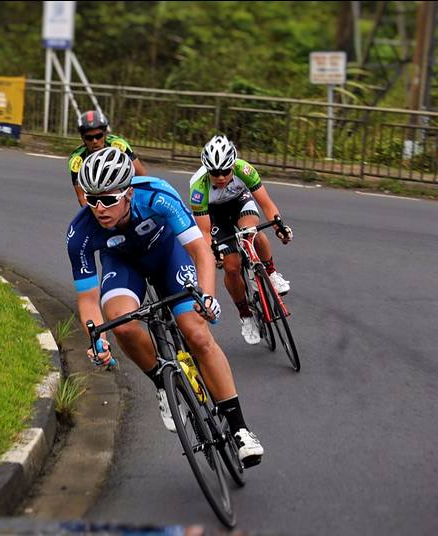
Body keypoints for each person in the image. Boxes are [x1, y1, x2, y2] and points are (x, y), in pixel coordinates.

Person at [66, 147, 264, 466]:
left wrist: (208, 296)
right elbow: (88, 300)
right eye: (92, 199)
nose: (99, 208)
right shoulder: (80, 233)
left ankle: (240, 428)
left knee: (195, 333)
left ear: (129, 193)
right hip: (123, 264)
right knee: (121, 323)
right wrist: (95, 338)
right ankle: (161, 380)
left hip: (169, 255)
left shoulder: (157, 195)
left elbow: (200, 251)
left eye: (108, 199)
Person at [189, 135, 293, 346]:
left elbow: (266, 204)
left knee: (252, 232)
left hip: (238, 202)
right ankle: (245, 315)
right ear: (207, 170)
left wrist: (279, 227)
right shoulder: (198, 189)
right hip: (214, 214)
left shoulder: (244, 169)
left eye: (225, 171)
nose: (220, 177)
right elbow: (205, 231)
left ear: (233, 165)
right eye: (214, 172)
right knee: (232, 266)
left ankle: (271, 273)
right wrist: (214, 251)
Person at [68, 110, 148, 207]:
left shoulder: (118, 145)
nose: (95, 141)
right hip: (97, 198)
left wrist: (140, 203)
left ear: (105, 134)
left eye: (98, 136)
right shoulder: (77, 159)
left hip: (123, 192)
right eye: (89, 138)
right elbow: (82, 198)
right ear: (83, 138)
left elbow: (142, 175)